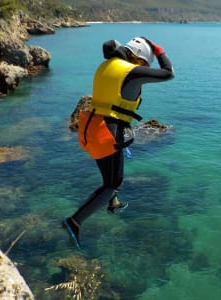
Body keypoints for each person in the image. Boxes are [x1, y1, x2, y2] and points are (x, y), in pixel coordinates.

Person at [62, 37, 174, 249]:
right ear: (139, 59)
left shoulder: (105, 65)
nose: (145, 70)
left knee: (112, 174)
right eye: (145, 65)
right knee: (113, 183)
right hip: (108, 133)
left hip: (91, 128)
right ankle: (74, 221)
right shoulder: (130, 71)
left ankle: (112, 204)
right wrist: (159, 50)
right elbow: (168, 72)